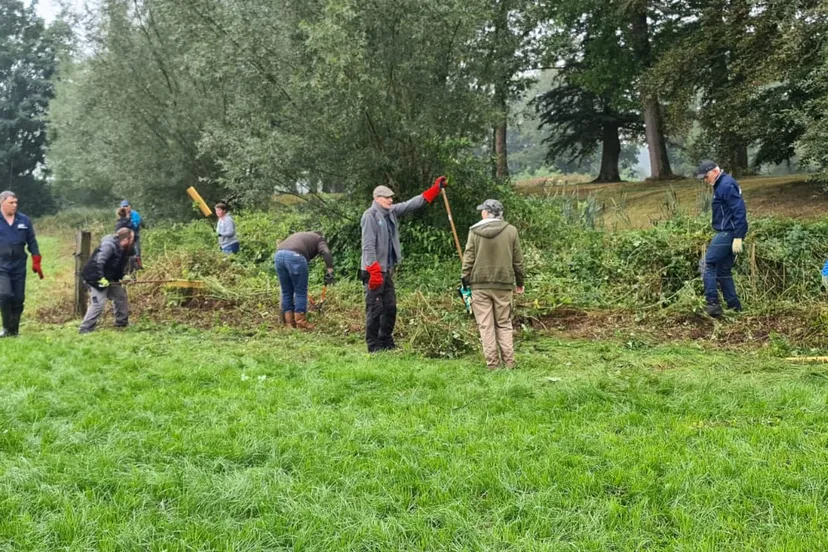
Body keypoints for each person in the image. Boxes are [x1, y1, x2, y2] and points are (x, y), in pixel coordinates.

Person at [361, 176, 446, 352]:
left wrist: (434, 190)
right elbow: (368, 245)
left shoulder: (390, 212)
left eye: (391, 198)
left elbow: (411, 204)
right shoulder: (370, 216)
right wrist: (373, 270)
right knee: (375, 309)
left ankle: (386, 341)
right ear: (377, 199)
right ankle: (373, 346)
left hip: (386, 270)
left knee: (390, 307)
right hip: (373, 271)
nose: (391, 200)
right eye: (387, 198)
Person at [461, 199, 525, 370]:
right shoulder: (511, 231)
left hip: (479, 284)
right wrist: (520, 282)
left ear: (485, 213)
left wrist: (465, 281)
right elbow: (518, 260)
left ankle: (493, 366)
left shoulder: (474, 231)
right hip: (503, 283)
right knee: (503, 324)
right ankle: (510, 364)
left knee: (485, 326)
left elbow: (468, 259)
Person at [695, 160, 748, 318]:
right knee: (723, 269)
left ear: (715, 171)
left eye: (706, 177)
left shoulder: (726, 185)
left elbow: (739, 210)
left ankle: (712, 304)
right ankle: (734, 307)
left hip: (728, 232)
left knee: (707, 263)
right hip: (729, 231)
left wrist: (738, 236)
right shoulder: (722, 184)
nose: (705, 180)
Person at [0, 191, 43, 337]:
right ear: (2, 203)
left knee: (18, 298)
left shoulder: (24, 220)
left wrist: (36, 257)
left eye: (16, 202)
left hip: (19, 264)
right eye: (11, 203)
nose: (14, 205)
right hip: (1, 265)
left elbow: (31, 240)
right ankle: (6, 328)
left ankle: (14, 330)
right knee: (5, 295)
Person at [275, 231, 335, 330]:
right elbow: (326, 252)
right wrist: (330, 271)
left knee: (286, 291)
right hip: (295, 256)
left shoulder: (302, 235)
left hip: (279, 255)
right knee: (300, 291)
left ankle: (289, 323)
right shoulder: (319, 238)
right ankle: (301, 323)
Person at [79, 228, 135, 334]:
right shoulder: (109, 245)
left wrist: (123, 277)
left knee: (120, 296)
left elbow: (116, 267)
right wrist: (100, 278)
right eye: (132, 238)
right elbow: (98, 263)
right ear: (127, 239)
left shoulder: (122, 249)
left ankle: (121, 323)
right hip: (94, 278)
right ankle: (85, 329)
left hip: (107, 278)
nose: (133, 241)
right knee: (98, 303)